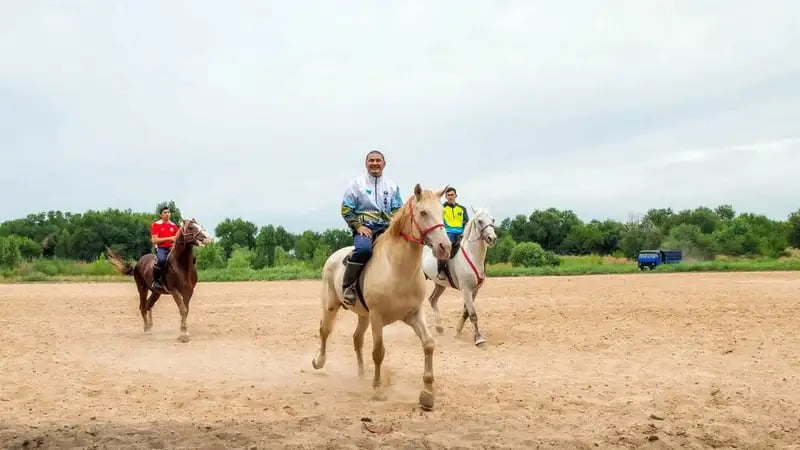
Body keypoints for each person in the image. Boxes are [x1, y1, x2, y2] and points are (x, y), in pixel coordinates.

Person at [339, 150, 403, 306]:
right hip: (364, 228)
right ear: (366, 164)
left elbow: (398, 210)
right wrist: (358, 226)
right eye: (371, 160)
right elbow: (346, 208)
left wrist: (393, 226)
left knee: (404, 251)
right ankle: (349, 287)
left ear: (384, 164)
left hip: (387, 229)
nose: (375, 163)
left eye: (378, 160)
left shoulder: (392, 186)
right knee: (364, 251)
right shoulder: (356, 184)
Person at [437, 186, 469, 280]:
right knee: (445, 249)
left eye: (452, 195)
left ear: (456, 195)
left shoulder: (462, 209)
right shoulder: (442, 208)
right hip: (448, 232)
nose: (450, 196)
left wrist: (465, 231)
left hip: (461, 233)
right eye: (448, 195)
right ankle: (441, 270)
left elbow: (466, 221)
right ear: (446, 197)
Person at [150, 206, 179, 291]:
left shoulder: (174, 226)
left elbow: (177, 239)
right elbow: (154, 240)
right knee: (162, 260)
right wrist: (170, 238)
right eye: (165, 212)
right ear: (160, 215)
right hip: (161, 248)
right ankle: (156, 281)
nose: (167, 214)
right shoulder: (156, 225)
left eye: (168, 212)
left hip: (172, 248)